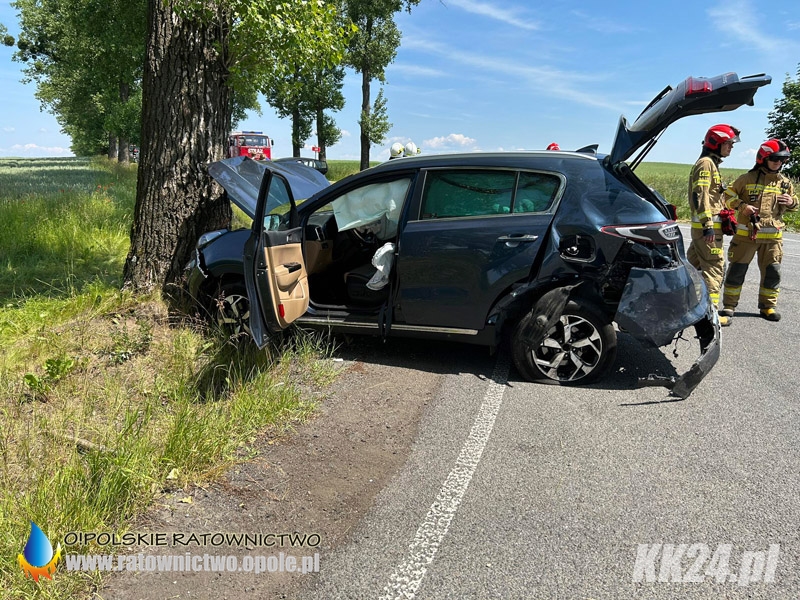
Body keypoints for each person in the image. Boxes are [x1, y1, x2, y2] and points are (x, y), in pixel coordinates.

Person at [720, 139, 798, 322]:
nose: (778, 162)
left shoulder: (785, 183)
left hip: (773, 240)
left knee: (773, 272)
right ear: (763, 158)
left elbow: (795, 204)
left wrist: (792, 202)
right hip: (746, 237)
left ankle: (768, 307)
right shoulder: (746, 179)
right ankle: (729, 307)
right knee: (737, 271)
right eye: (774, 159)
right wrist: (742, 206)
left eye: (782, 159)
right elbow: (726, 197)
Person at [686, 124, 740, 326]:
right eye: (728, 143)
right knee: (714, 268)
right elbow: (700, 195)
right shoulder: (706, 164)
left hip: (705, 230)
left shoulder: (711, 164)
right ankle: (711, 316)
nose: (731, 147)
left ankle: (682, 305)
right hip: (708, 231)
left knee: (690, 268)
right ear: (716, 143)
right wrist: (708, 225)